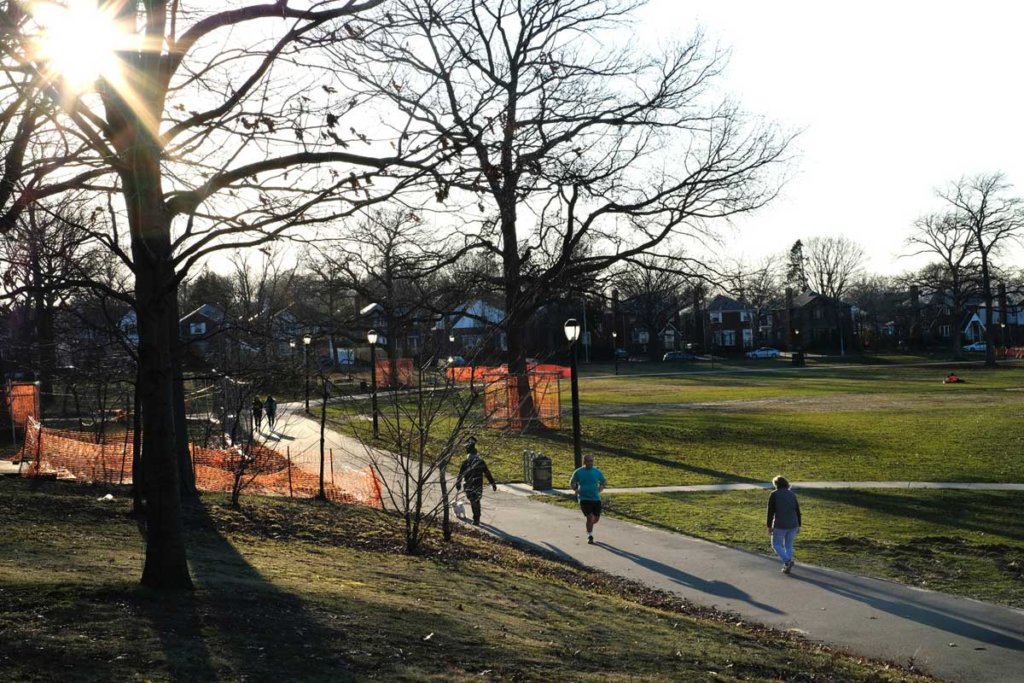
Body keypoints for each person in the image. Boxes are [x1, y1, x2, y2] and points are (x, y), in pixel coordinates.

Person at [455, 437, 497, 526]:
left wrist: (458, 483)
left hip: (470, 485)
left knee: (474, 501)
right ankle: (476, 517)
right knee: (475, 501)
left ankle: (476, 518)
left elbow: (460, 475)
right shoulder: (479, 462)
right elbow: (487, 473)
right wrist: (492, 483)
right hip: (476, 485)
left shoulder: (466, 462)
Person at [767, 475, 802, 574]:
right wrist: (799, 524)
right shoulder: (792, 494)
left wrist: (769, 526)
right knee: (788, 545)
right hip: (793, 524)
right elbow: (797, 510)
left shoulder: (774, 494)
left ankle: (787, 561)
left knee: (776, 545)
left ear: (776, 485)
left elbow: (770, 511)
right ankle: (787, 566)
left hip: (780, 524)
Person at [569, 454, 607, 545]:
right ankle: (590, 535)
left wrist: (601, 487)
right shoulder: (578, 472)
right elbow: (572, 482)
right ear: (584, 462)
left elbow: (603, 481)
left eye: (591, 461)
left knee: (596, 519)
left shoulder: (597, 471)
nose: (590, 463)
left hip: (596, 498)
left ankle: (589, 527)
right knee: (590, 517)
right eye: (588, 461)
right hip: (584, 498)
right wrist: (575, 489)